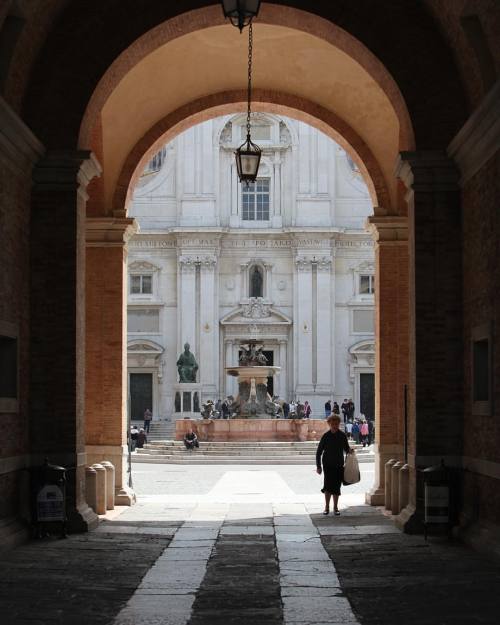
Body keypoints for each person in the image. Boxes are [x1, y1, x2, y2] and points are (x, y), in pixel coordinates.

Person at [316, 414, 353, 516]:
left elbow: (346, 448)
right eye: (332, 424)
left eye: (336, 423)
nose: (334, 425)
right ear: (329, 424)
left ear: (338, 424)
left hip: (338, 464)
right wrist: (318, 466)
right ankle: (327, 507)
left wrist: (350, 451)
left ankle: (336, 508)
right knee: (327, 486)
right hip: (327, 465)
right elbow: (319, 452)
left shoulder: (342, 436)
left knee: (337, 487)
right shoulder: (326, 436)